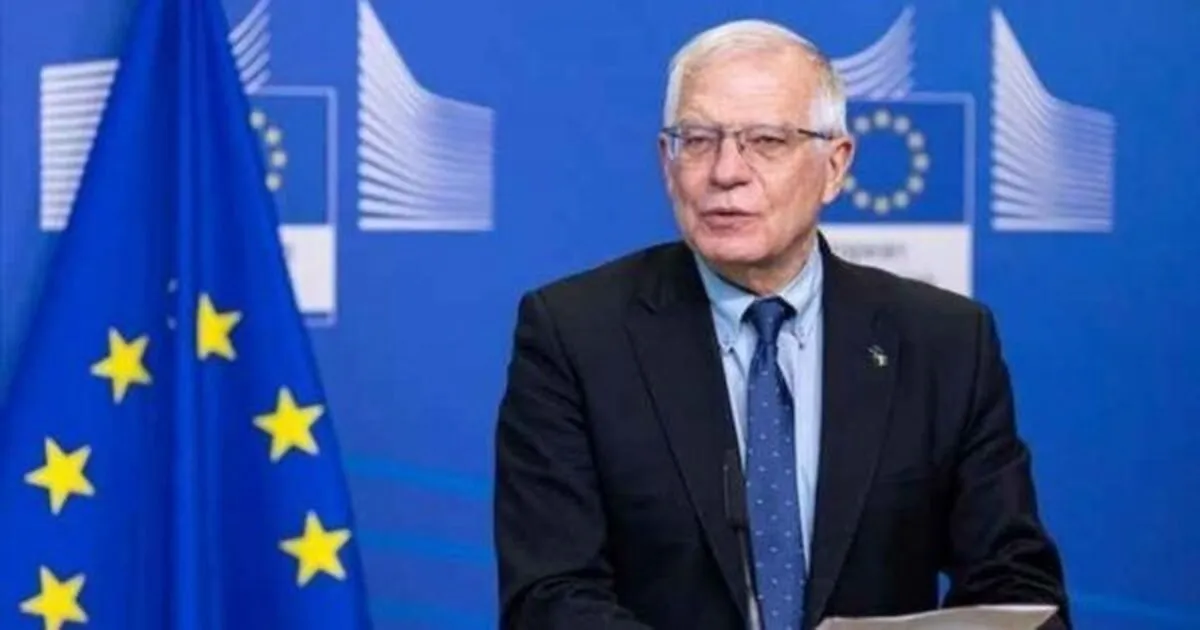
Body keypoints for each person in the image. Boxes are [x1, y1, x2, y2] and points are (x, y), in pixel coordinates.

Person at [492, 18, 1070, 630]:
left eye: (765, 141)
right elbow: (548, 596)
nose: (726, 171)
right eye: (697, 140)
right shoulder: (576, 335)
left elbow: (1017, 587)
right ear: (667, 161)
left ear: (835, 165)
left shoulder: (945, 342)